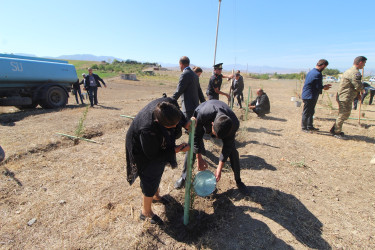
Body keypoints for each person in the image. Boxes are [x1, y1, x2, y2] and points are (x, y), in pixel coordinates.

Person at [125, 97, 190, 225]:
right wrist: (175, 150)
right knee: (149, 175)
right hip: (142, 149)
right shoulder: (147, 129)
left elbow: (178, 115)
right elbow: (152, 155)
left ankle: (155, 196)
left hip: (154, 144)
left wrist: (185, 122)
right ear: (159, 122)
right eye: (172, 126)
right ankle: (146, 212)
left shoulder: (168, 105)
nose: (176, 126)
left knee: (158, 170)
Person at [192, 99, 249, 195]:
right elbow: (196, 136)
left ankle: (239, 181)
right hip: (203, 113)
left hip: (221, 118)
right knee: (192, 148)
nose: (216, 139)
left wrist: (219, 168)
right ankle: (184, 177)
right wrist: (199, 158)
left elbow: (227, 147)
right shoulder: (203, 114)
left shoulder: (234, 124)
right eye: (215, 135)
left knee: (233, 152)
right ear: (212, 124)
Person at [172, 57, 206, 189]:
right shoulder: (193, 74)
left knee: (192, 141)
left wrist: (169, 101)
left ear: (181, 64)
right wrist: (205, 105)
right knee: (195, 139)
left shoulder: (185, 73)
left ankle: (185, 177)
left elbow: (178, 91)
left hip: (188, 112)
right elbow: (200, 93)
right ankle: (198, 161)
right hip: (196, 110)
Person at [330, 56, 366, 139]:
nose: (364, 65)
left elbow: (352, 86)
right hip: (345, 96)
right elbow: (357, 85)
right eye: (364, 63)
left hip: (344, 96)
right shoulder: (355, 72)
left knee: (344, 114)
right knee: (343, 115)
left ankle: (335, 129)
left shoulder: (350, 71)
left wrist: (358, 94)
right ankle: (336, 132)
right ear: (360, 62)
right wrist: (362, 91)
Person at [301, 59, 331, 132]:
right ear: (323, 65)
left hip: (308, 94)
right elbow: (318, 86)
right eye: (325, 67)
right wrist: (324, 87)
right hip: (310, 95)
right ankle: (304, 127)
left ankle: (309, 126)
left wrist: (323, 86)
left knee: (311, 111)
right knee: (307, 111)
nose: (324, 68)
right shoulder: (317, 73)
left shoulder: (311, 72)